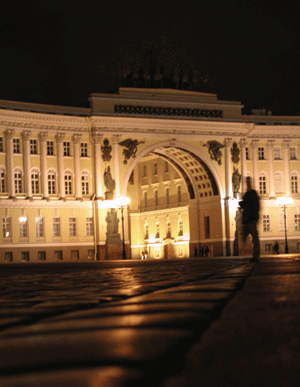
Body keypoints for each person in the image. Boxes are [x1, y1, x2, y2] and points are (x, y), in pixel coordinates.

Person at [239, 176, 260, 262]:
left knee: (254, 238)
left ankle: (255, 256)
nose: (247, 184)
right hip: (246, 220)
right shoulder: (247, 194)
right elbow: (245, 205)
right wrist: (241, 203)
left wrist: (255, 217)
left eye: (248, 182)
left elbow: (254, 206)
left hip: (251, 219)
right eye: (247, 183)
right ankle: (242, 252)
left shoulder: (252, 194)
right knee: (243, 237)